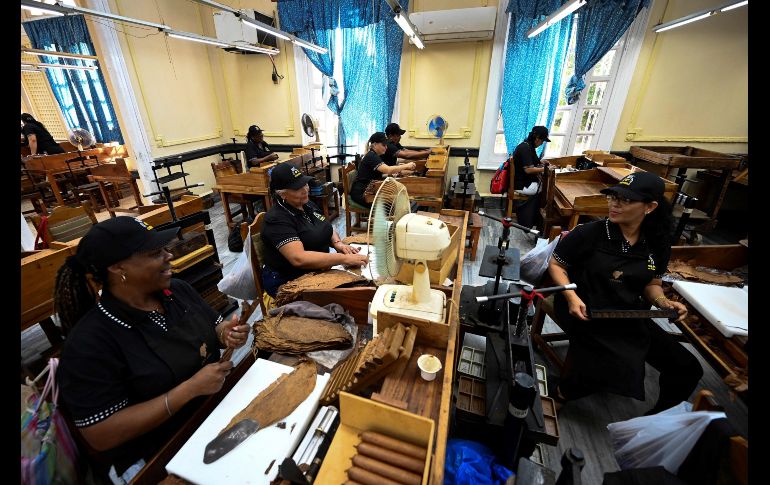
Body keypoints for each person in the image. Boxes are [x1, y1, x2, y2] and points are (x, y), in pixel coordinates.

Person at [54, 217, 250, 482]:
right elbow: (100, 433)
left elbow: (214, 327)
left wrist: (225, 333)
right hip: (159, 451)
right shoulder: (90, 343)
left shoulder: (177, 291)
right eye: (155, 253)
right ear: (117, 267)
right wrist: (188, 389)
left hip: (211, 414)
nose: (169, 256)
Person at [547, 172, 703, 415]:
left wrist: (664, 302)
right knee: (614, 360)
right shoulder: (589, 233)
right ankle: (561, 394)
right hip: (585, 309)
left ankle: (656, 419)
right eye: (613, 197)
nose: (615, 204)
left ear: (650, 207)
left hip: (627, 312)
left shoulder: (657, 243)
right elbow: (557, 266)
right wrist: (571, 297)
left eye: (626, 200)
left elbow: (652, 285)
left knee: (687, 367)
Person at [260, 163, 369, 297]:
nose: (305, 189)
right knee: (354, 296)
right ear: (282, 194)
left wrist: (337, 243)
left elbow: (325, 226)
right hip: (288, 280)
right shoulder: (277, 219)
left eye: (304, 184)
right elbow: (299, 258)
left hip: (316, 270)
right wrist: (343, 259)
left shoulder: (307, 205)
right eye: (297, 188)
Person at [350, 132, 417, 208]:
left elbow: (375, 174)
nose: (386, 147)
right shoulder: (371, 156)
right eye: (383, 145)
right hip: (362, 193)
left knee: (399, 202)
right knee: (394, 205)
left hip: (369, 189)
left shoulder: (374, 155)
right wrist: (407, 165)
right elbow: (388, 169)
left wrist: (392, 174)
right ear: (374, 144)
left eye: (386, 145)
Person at [511, 125, 551, 228]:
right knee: (546, 190)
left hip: (521, 181)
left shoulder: (528, 145)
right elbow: (528, 170)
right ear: (537, 138)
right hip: (521, 184)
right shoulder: (526, 148)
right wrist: (545, 169)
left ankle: (533, 215)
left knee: (544, 186)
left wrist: (541, 162)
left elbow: (530, 161)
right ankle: (532, 218)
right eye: (542, 141)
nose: (542, 143)